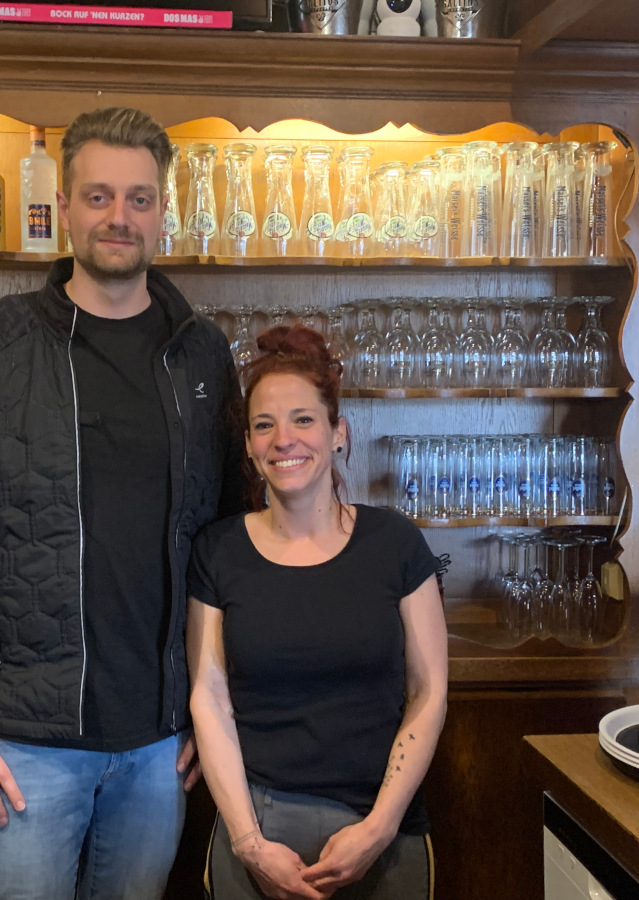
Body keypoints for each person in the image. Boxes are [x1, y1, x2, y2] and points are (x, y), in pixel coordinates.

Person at [0, 106, 243, 900]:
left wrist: (218, 709)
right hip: (25, 749)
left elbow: (234, 543)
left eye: (141, 199)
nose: (120, 217)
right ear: (66, 208)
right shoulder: (3, 340)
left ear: (162, 211)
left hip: (160, 747)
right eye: (99, 197)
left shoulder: (202, 352)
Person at [187, 325, 448, 900]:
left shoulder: (396, 544)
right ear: (250, 448)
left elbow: (429, 691)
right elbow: (209, 695)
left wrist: (379, 829)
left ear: (338, 433)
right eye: (264, 425)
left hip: (383, 825)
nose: (285, 440)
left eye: (304, 420)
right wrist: (249, 843)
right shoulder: (218, 550)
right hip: (259, 823)